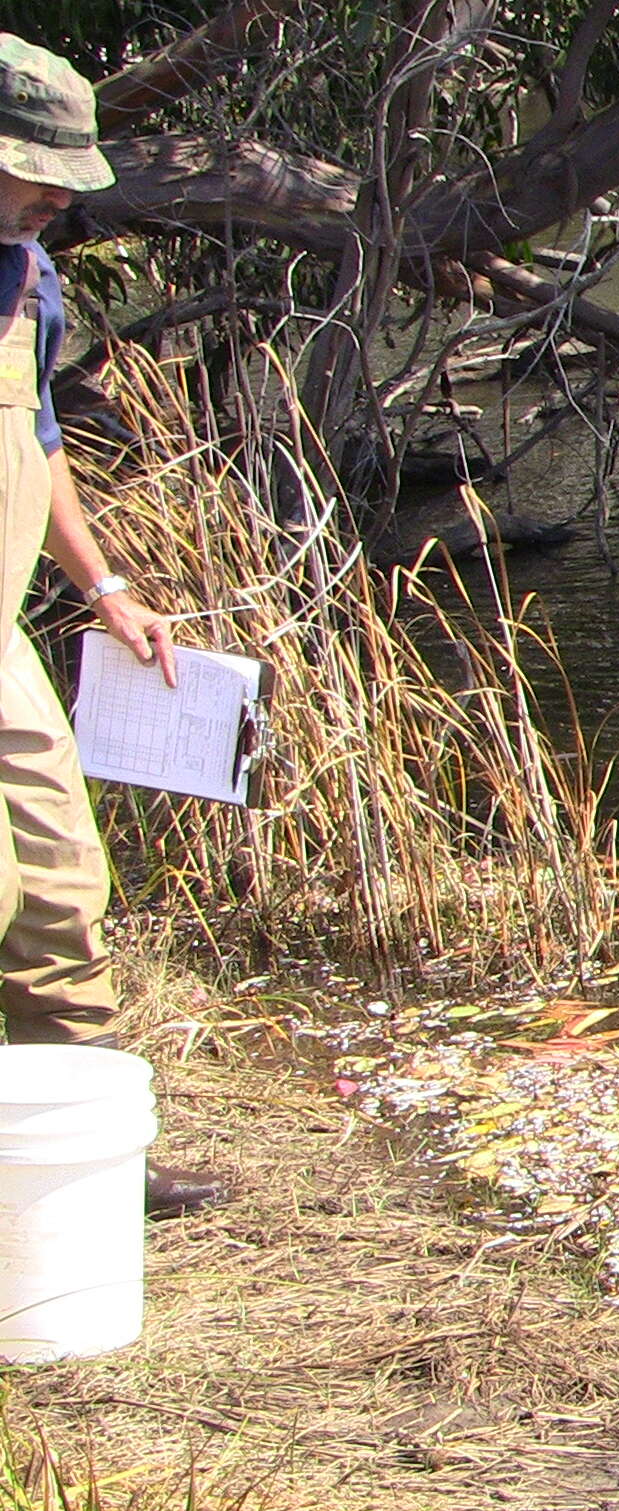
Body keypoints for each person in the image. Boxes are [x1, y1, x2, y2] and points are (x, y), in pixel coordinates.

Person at [4, 38, 222, 1215]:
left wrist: (107, 589)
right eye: (30, 170)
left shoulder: (30, 279)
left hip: (2, 647)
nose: (51, 195)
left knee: (59, 882)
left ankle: (82, 1157)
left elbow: (34, 448)